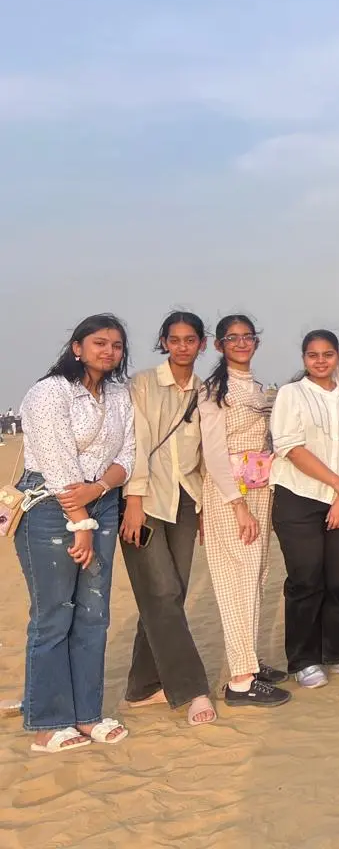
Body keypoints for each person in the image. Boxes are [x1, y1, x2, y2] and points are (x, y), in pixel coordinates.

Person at [16, 314, 135, 752]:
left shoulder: (119, 395)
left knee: (93, 614)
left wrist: (100, 489)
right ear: (77, 347)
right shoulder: (50, 392)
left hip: (102, 501)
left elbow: (127, 455)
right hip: (52, 507)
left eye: (117, 345)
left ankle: (87, 713)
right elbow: (57, 460)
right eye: (99, 342)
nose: (109, 351)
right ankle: (47, 722)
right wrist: (80, 522)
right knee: (54, 615)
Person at [118, 312, 217, 725]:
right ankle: (192, 689)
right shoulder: (142, 384)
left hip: (186, 501)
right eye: (174, 339)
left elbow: (206, 453)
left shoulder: (206, 390)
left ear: (201, 344)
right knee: (161, 592)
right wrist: (133, 500)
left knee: (169, 595)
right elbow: (135, 444)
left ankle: (142, 687)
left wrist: (205, 507)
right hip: (144, 500)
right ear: (163, 342)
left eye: (190, 339)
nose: (182, 347)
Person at [270, 330, 339, 688]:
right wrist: (338, 484)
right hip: (299, 496)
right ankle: (304, 659)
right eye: (312, 355)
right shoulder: (291, 394)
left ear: (337, 357)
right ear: (304, 359)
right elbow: (290, 447)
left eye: (327, 354)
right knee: (306, 578)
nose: (320, 361)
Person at [198, 315, 292, 707]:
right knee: (235, 581)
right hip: (230, 495)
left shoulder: (256, 388)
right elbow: (213, 452)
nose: (241, 343)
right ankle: (240, 680)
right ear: (218, 345)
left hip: (258, 490)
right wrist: (237, 505)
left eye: (247, 337)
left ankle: (248, 662)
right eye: (232, 338)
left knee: (255, 577)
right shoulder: (213, 392)